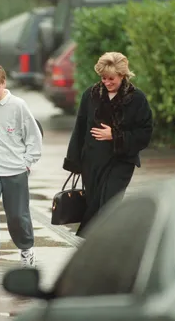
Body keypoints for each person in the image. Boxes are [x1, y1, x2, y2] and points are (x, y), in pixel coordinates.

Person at [63, 52, 153, 237]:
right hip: (93, 162)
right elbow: (79, 128)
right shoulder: (91, 94)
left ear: (122, 75)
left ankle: (97, 242)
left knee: (109, 204)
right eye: (104, 78)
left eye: (111, 78)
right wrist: (75, 161)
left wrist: (115, 135)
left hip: (121, 162)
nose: (107, 82)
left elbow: (145, 133)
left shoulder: (137, 99)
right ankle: (100, 246)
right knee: (94, 203)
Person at [0, 64, 42, 284]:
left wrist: (28, 163)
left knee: (17, 216)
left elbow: (34, 135)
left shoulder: (18, 105)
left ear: (4, 83)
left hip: (15, 169)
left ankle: (26, 250)